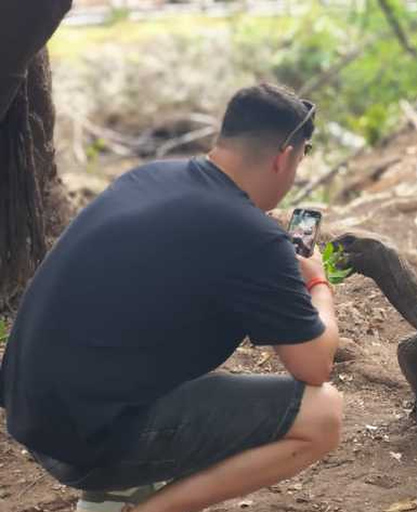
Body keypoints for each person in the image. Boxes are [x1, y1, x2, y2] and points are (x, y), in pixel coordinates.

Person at [0, 83, 343, 512]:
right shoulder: (252, 239)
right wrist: (318, 284)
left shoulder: (150, 177)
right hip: (86, 444)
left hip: (35, 416)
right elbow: (315, 365)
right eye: (302, 157)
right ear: (284, 157)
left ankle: (113, 498)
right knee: (322, 415)